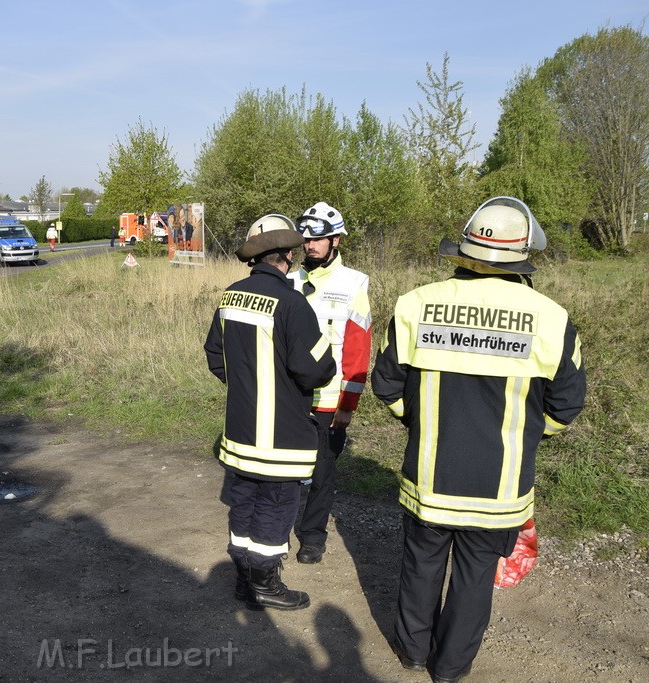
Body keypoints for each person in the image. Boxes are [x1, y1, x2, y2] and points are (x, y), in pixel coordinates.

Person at [371, 196, 586, 683]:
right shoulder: (551, 317)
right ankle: (450, 669)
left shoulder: (416, 303)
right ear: (523, 255)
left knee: (421, 566)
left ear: (464, 249)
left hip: (429, 477)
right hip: (500, 486)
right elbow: (566, 406)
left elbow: (385, 385)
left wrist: (421, 423)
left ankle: (411, 654)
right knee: (474, 580)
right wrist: (528, 437)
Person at [204, 214, 336, 611]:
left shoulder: (230, 295)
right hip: (281, 437)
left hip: (240, 431)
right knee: (276, 507)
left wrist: (248, 385)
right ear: (289, 255)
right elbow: (316, 369)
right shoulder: (293, 303)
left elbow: (215, 355)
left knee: (243, 501)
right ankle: (265, 584)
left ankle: (245, 581)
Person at [287, 202, 372, 565]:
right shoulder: (287, 281)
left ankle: (312, 538)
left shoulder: (354, 283)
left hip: (328, 400)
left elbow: (358, 350)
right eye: (306, 238)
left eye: (319, 239)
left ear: (335, 240)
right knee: (285, 470)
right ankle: (276, 531)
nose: (311, 245)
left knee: (322, 473)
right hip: (290, 397)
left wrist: (347, 407)